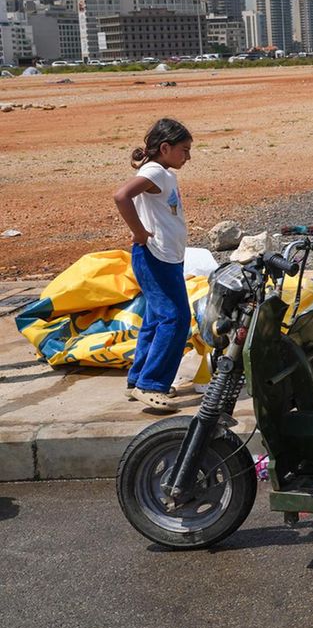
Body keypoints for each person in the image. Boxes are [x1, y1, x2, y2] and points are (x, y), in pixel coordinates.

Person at [112, 118, 194, 412]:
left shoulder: (162, 172)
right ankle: (152, 384)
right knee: (176, 319)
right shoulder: (155, 171)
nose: (188, 156)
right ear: (165, 147)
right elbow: (122, 196)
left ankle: (137, 381)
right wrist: (138, 232)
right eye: (184, 150)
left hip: (165, 257)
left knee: (156, 319)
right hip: (154, 256)